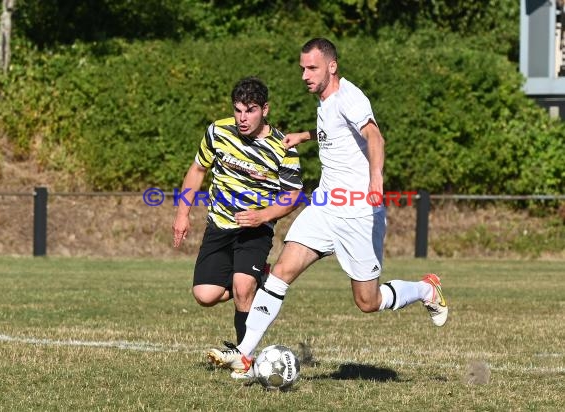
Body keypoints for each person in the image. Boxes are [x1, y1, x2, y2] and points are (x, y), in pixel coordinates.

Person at [207, 38, 448, 379]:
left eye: (312, 68)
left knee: (368, 301)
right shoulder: (325, 100)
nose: (305, 75)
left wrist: (375, 179)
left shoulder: (350, 97)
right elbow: (336, 134)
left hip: (358, 213)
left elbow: (374, 137)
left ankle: (426, 289)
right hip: (324, 207)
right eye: (302, 68)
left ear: (331, 66)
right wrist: (303, 136)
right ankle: (244, 355)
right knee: (280, 274)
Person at [173, 77, 303, 377]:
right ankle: (261, 277)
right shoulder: (218, 131)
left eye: (251, 110)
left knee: (243, 287)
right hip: (218, 224)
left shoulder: (282, 147)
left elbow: (293, 195)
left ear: (265, 110)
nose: (243, 118)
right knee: (204, 296)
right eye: (238, 110)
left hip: (255, 230)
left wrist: (264, 215)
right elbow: (197, 170)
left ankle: (244, 358)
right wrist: (182, 215)